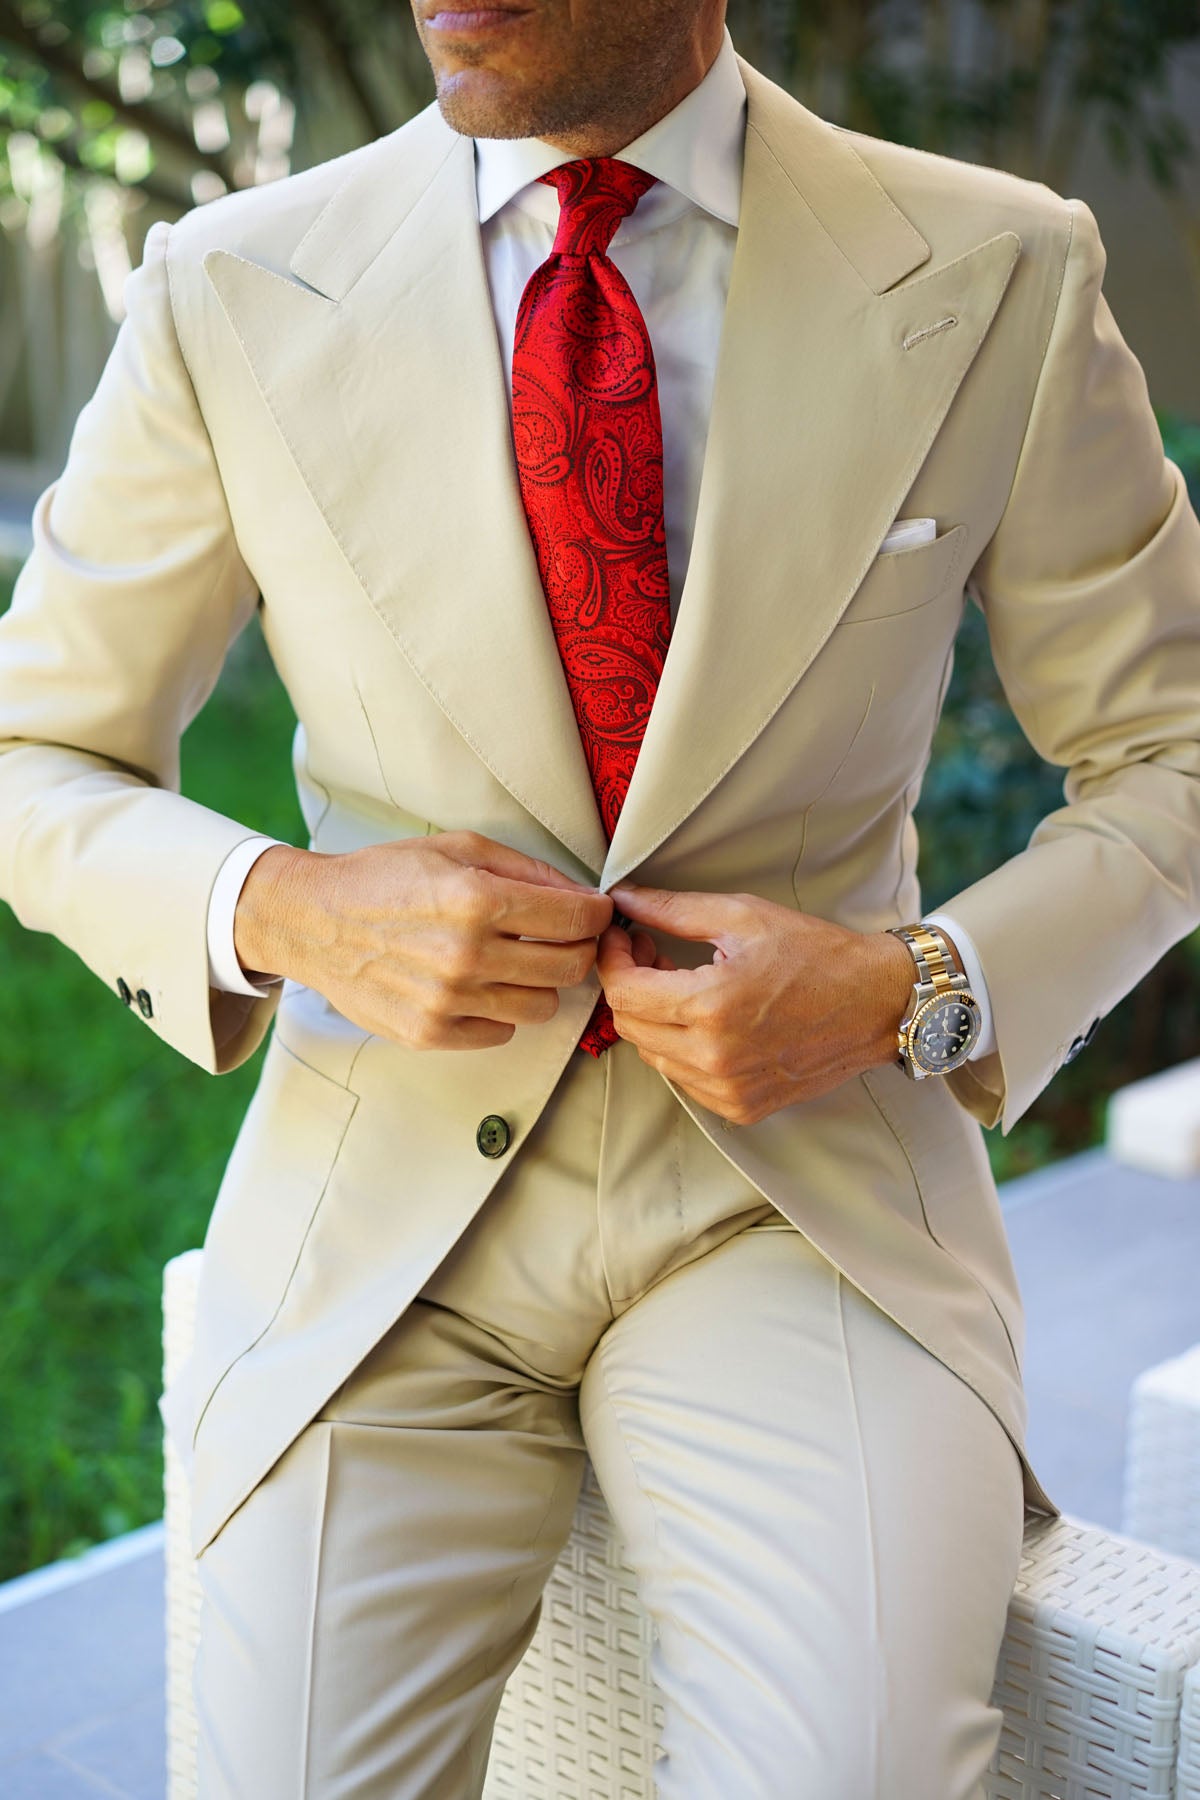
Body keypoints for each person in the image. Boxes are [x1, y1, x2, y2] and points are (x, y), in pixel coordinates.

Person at [1, 0, 1199, 1792]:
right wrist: (287, 906)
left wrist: (910, 984)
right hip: (380, 1220)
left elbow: (1173, 748)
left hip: (809, 1204)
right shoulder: (228, 284)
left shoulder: (997, 268)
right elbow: (36, 753)